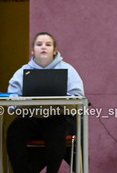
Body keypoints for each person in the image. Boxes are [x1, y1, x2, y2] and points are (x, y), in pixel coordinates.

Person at [7, 32, 85, 173]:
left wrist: (62, 99)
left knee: (56, 129)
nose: (43, 47)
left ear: (54, 50)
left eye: (48, 44)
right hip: (31, 117)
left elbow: (78, 99)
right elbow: (12, 104)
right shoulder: (22, 72)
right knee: (15, 129)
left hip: (60, 117)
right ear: (32, 50)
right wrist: (24, 101)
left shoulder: (68, 70)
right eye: (39, 44)